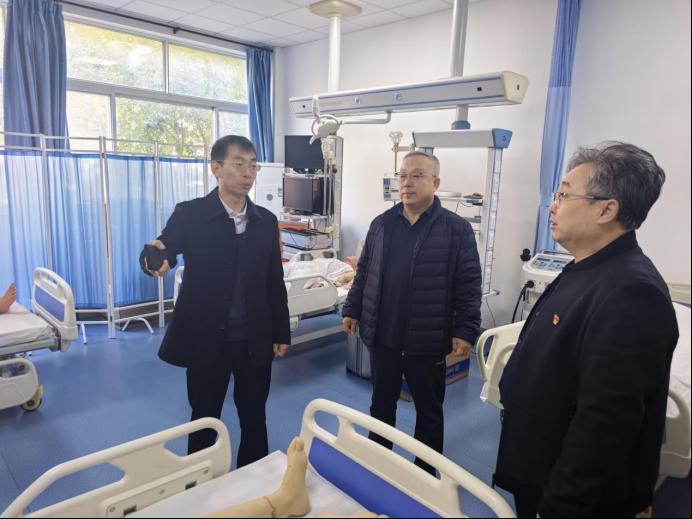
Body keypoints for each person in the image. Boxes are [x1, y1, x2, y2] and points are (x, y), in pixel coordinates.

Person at [493, 142, 679, 517]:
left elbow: (605, 426)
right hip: (540, 462)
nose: (553, 206)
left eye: (564, 195)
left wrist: (560, 506)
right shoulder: (587, 266)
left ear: (607, 210)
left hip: (573, 497)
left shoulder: (631, 293)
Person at [141, 135, 290, 466]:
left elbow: (273, 280)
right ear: (216, 168)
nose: (247, 173)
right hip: (207, 338)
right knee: (204, 419)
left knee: (254, 416)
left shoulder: (266, 221)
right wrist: (154, 258)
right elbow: (163, 246)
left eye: (253, 165)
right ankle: (201, 482)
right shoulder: (191, 214)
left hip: (254, 338)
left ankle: (255, 479)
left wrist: (281, 330)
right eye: (239, 164)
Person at [342, 150, 482, 475]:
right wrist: (352, 308)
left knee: (429, 413)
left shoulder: (456, 229)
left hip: (428, 339)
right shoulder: (382, 224)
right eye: (403, 175)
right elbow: (364, 272)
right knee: (381, 406)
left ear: (436, 183)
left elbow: (469, 283)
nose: (407, 182)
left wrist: (465, 329)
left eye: (417, 175)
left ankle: (424, 476)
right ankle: (378, 466)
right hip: (384, 336)